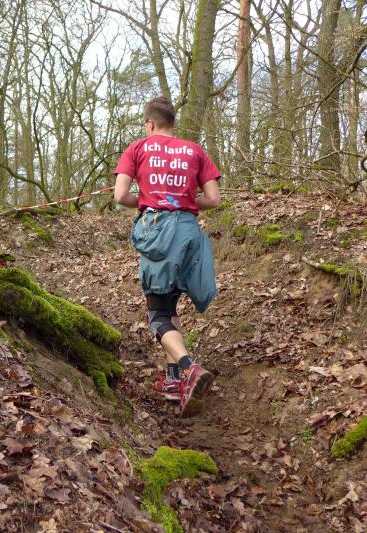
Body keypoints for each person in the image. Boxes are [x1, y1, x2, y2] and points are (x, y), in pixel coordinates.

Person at [113, 96, 221, 416]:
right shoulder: (195, 150)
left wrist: (148, 200)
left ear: (149, 124)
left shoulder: (138, 148)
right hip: (189, 233)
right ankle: (174, 381)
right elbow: (213, 199)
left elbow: (120, 195)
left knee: (157, 314)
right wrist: (183, 202)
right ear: (172, 123)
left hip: (158, 233)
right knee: (170, 306)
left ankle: (189, 369)